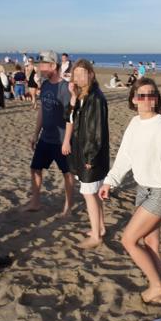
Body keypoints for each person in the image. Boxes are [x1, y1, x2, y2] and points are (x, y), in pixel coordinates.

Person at [99, 78, 161, 303]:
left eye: (151, 95)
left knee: (128, 240)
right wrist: (110, 181)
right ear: (134, 99)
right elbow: (125, 155)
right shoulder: (135, 123)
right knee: (151, 243)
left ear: (156, 99)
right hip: (142, 189)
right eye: (142, 95)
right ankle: (158, 287)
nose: (147, 99)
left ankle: (157, 286)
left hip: (160, 192)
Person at [62, 59, 110, 249]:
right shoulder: (83, 95)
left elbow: (96, 132)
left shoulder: (96, 98)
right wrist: (73, 98)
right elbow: (69, 118)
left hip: (91, 154)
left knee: (89, 194)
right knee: (94, 193)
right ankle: (101, 228)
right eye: (76, 74)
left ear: (91, 75)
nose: (79, 77)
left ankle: (96, 236)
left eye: (83, 73)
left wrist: (90, 158)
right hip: (84, 152)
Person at [24, 50, 74, 216]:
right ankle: (36, 202)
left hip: (61, 140)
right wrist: (35, 134)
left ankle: (68, 205)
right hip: (46, 138)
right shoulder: (44, 85)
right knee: (35, 168)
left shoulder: (65, 88)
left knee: (67, 173)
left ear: (54, 66)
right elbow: (41, 113)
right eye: (40, 65)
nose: (41, 68)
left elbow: (70, 117)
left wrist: (67, 140)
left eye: (44, 65)